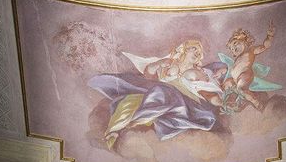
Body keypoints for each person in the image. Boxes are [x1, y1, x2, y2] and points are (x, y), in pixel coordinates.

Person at [88, 39, 224, 148]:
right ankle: (112, 133)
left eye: (199, 52)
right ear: (184, 49)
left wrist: (222, 103)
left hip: (186, 102)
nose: (196, 53)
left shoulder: (202, 73)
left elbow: (208, 93)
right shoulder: (169, 63)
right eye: (193, 48)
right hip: (161, 92)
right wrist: (159, 63)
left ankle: (134, 122)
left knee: (162, 93)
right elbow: (149, 75)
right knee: (129, 101)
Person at [217, 23, 282, 112]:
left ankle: (256, 103)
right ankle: (230, 103)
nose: (234, 48)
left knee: (241, 89)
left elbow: (265, 46)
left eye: (235, 43)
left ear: (244, 40)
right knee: (225, 85)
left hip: (245, 74)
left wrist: (269, 36)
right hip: (235, 78)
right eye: (232, 49)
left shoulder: (250, 51)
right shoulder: (237, 58)